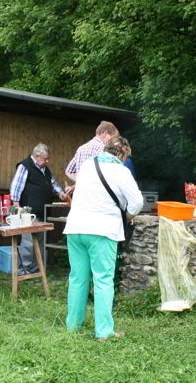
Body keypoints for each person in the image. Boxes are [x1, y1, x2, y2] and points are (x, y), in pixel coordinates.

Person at [64, 135, 143, 340]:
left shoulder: (87, 166)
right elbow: (137, 203)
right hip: (102, 230)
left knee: (77, 279)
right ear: (123, 154)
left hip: (75, 228)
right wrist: (127, 215)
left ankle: (73, 325)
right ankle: (104, 331)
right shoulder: (121, 171)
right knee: (103, 280)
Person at [10, 143, 68, 275]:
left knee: (41, 241)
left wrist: (61, 193)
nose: (48, 161)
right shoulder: (25, 166)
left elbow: (52, 183)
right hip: (28, 212)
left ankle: (37, 269)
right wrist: (16, 204)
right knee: (28, 242)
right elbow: (16, 186)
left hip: (43, 211)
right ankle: (24, 270)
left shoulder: (45, 169)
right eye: (45, 158)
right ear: (37, 156)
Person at [65, 121, 119, 194]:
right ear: (105, 134)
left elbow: (69, 171)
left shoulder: (81, 148)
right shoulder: (103, 150)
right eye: (111, 138)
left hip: (81, 195)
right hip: (97, 195)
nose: (111, 141)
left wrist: (82, 182)